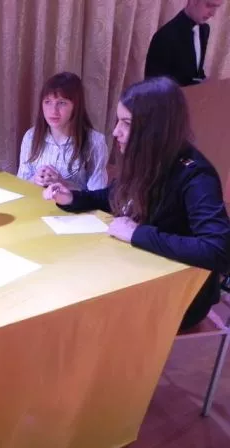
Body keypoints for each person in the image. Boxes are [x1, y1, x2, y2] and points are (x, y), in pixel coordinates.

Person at [43, 77, 230, 330]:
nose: (115, 132)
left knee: (85, 310)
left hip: (181, 294)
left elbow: (217, 250)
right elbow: (115, 197)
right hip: (143, 269)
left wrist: (137, 234)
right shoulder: (146, 157)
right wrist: (72, 198)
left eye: (127, 123)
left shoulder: (196, 175)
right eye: (118, 121)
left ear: (155, 128)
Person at [17, 72, 108, 190]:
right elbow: (20, 184)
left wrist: (63, 184)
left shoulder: (95, 142)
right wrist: (35, 179)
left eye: (61, 103)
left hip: (73, 202)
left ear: (76, 106)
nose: (53, 111)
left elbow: (97, 195)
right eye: (48, 102)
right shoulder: (31, 136)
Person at [145, 0, 223, 87]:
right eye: (209, 5)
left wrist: (204, 81)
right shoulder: (165, 36)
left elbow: (195, 72)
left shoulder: (204, 29)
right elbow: (154, 85)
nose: (213, 13)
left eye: (216, 7)